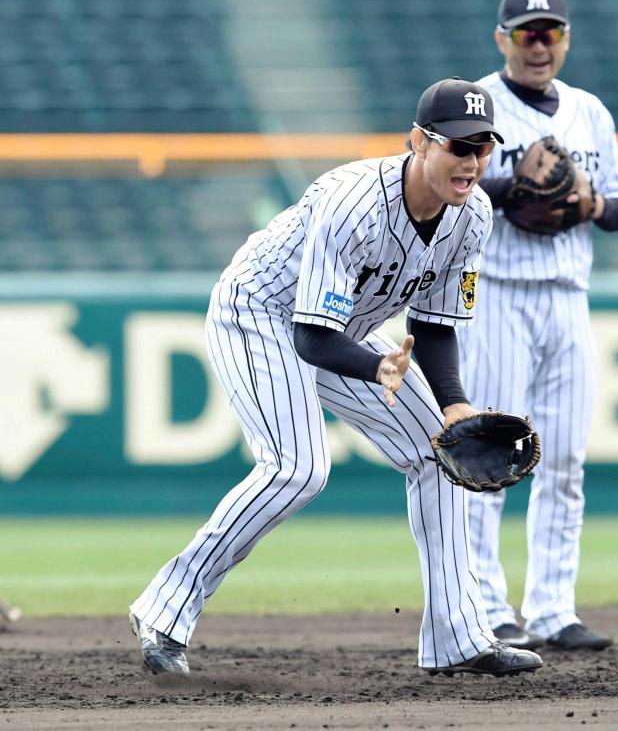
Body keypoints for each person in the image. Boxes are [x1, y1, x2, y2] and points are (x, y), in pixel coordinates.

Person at [129, 77, 543, 677]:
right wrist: (377, 365)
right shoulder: (354, 203)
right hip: (260, 313)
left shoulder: (473, 216)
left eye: (482, 148)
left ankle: (460, 637)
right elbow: (311, 337)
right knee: (296, 469)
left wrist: (453, 404)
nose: (471, 161)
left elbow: (434, 325)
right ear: (419, 143)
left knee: (442, 451)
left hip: (344, 329)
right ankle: (164, 611)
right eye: (457, 146)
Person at [459, 0, 618, 651]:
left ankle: (554, 609)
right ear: (502, 38)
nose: (539, 44)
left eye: (551, 32)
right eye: (526, 32)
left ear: (566, 39)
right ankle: (485, 606)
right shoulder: (477, 104)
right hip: (497, 291)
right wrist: (513, 189)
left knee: (564, 458)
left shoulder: (590, 111)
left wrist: (584, 201)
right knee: (488, 459)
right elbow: (445, 184)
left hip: (567, 296)